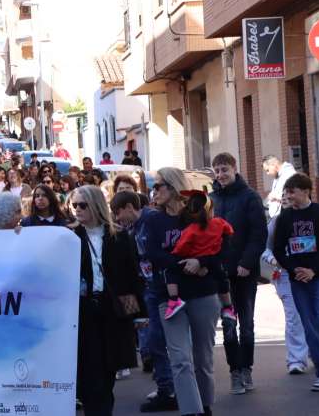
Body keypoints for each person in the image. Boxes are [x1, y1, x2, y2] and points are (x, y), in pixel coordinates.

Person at [145, 168, 220, 416]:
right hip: (168, 296)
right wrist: (181, 263)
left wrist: (201, 262)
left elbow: (218, 248)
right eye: (153, 187)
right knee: (180, 359)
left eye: (158, 186)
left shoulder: (198, 214)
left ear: (174, 187)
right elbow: (152, 254)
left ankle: (206, 406)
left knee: (203, 359)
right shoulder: (153, 220)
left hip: (202, 291)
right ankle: (192, 411)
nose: (154, 191)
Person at [71, 185, 142, 416]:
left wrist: (141, 313)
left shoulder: (119, 235)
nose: (77, 209)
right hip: (84, 312)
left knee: (108, 370)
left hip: (113, 311)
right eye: (74, 205)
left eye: (82, 205)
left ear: (96, 205)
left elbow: (133, 274)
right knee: (91, 374)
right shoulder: (70, 237)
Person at [110, 191, 177, 412]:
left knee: (159, 341)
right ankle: (166, 386)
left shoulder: (151, 220)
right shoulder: (132, 229)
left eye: (118, 213)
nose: (118, 219)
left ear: (130, 207)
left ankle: (169, 389)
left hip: (162, 289)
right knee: (151, 343)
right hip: (149, 289)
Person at [209, 152, 267, 394]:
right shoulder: (210, 199)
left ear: (234, 168)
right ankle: (234, 371)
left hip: (245, 272)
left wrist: (246, 262)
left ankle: (247, 369)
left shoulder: (250, 197)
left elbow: (258, 235)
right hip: (221, 273)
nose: (221, 175)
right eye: (217, 171)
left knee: (247, 323)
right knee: (229, 323)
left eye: (225, 169)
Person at [272, 172, 319, 392]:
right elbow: (277, 250)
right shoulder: (284, 218)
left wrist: (314, 270)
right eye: (286, 192)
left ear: (305, 191)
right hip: (297, 279)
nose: (288, 196)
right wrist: (294, 270)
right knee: (309, 325)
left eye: (292, 192)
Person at [164, 190, 236, 323]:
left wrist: (180, 256)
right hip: (213, 263)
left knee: (170, 272)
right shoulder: (219, 223)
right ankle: (228, 307)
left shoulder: (191, 230)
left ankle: (173, 300)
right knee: (222, 279)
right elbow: (230, 230)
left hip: (193, 267)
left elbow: (181, 248)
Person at [263, 190, 310, 374]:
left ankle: (316, 352)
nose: (288, 202)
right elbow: (265, 248)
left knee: (314, 315)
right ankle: (296, 360)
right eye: (284, 199)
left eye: (291, 198)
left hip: (311, 274)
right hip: (284, 275)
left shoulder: (313, 217)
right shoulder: (276, 222)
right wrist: (274, 259)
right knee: (293, 317)